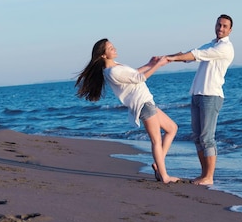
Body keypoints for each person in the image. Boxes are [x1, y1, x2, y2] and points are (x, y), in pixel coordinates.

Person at [75, 38, 180, 184]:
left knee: (172, 128)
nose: (114, 49)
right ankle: (164, 176)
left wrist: (150, 64)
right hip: (143, 104)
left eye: (113, 46)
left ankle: (158, 164)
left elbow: (134, 74)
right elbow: (140, 78)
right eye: (110, 48)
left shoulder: (116, 67)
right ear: (103, 55)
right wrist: (158, 65)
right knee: (156, 141)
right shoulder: (112, 71)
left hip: (147, 102)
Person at [166, 14, 234, 186]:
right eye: (219, 24)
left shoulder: (225, 48)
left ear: (230, 30)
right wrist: (167, 57)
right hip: (197, 94)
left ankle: (209, 177)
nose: (221, 28)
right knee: (197, 137)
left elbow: (196, 55)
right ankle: (203, 175)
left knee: (207, 138)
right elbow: (190, 55)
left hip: (211, 96)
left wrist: (174, 58)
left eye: (225, 26)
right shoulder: (211, 44)